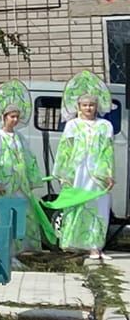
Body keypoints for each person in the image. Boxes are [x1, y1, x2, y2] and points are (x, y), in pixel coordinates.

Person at [51, 72, 115, 261]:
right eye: (85, 105)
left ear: (97, 107)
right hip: (77, 172)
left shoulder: (105, 126)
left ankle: (95, 246)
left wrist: (109, 174)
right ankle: (76, 244)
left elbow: (108, 152)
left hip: (97, 174)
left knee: (99, 207)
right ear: (78, 106)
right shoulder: (72, 125)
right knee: (78, 206)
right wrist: (62, 173)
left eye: (92, 105)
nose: (88, 108)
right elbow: (64, 150)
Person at [0, 84, 53, 253]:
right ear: (4, 117)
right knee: (3, 213)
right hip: (5, 185)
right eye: (11, 116)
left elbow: (29, 158)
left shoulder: (20, 137)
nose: (14, 120)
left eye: (17, 117)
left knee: (21, 213)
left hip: (19, 183)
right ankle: (3, 246)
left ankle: (21, 246)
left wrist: (31, 178)